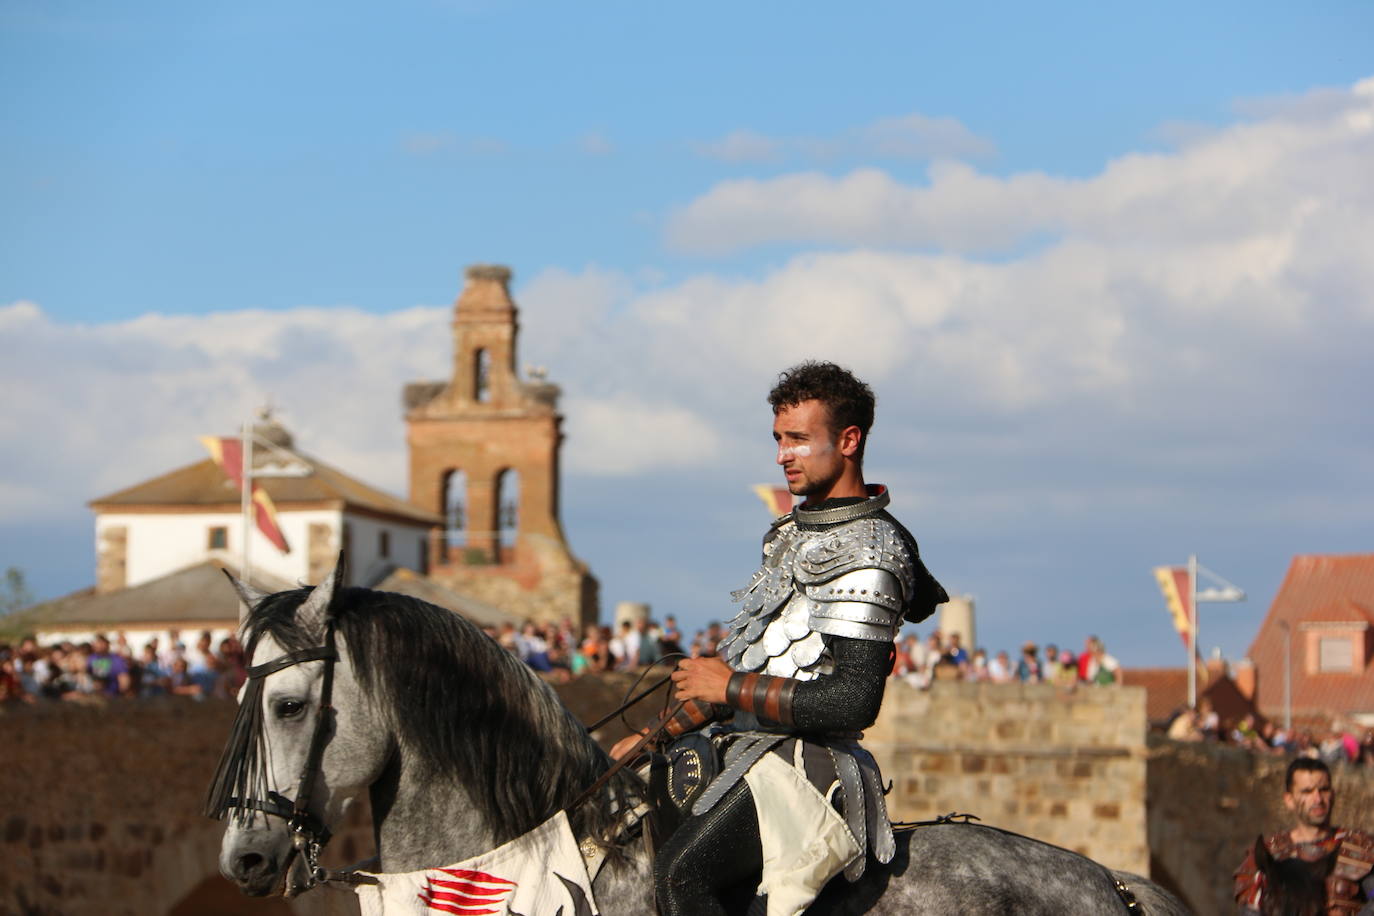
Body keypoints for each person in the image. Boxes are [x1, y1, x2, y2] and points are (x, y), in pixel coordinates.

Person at [610, 361, 947, 916]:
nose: (781, 455)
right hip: (746, 750)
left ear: (848, 440)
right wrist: (652, 741)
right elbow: (748, 664)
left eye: (797, 440)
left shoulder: (871, 550)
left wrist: (731, 687)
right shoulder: (789, 535)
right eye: (778, 439)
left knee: (678, 875)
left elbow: (853, 700)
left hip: (809, 768)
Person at [1234, 758, 1374, 912]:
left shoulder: (1360, 848)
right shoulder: (1269, 854)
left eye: (1324, 789)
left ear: (1333, 794)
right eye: (1307, 791)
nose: (1318, 799)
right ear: (1289, 799)